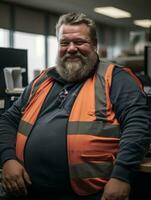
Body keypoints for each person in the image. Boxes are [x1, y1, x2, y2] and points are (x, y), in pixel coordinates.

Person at [0, 12, 150, 200]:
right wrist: (8, 159)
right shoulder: (42, 80)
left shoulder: (116, 78)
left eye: (79, 42)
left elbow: (138, 125)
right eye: (64, 43)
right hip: (26, 190)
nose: (71, 48)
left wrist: (121, 176)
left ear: (95, 45)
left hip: (88, 194)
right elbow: (7, 120)